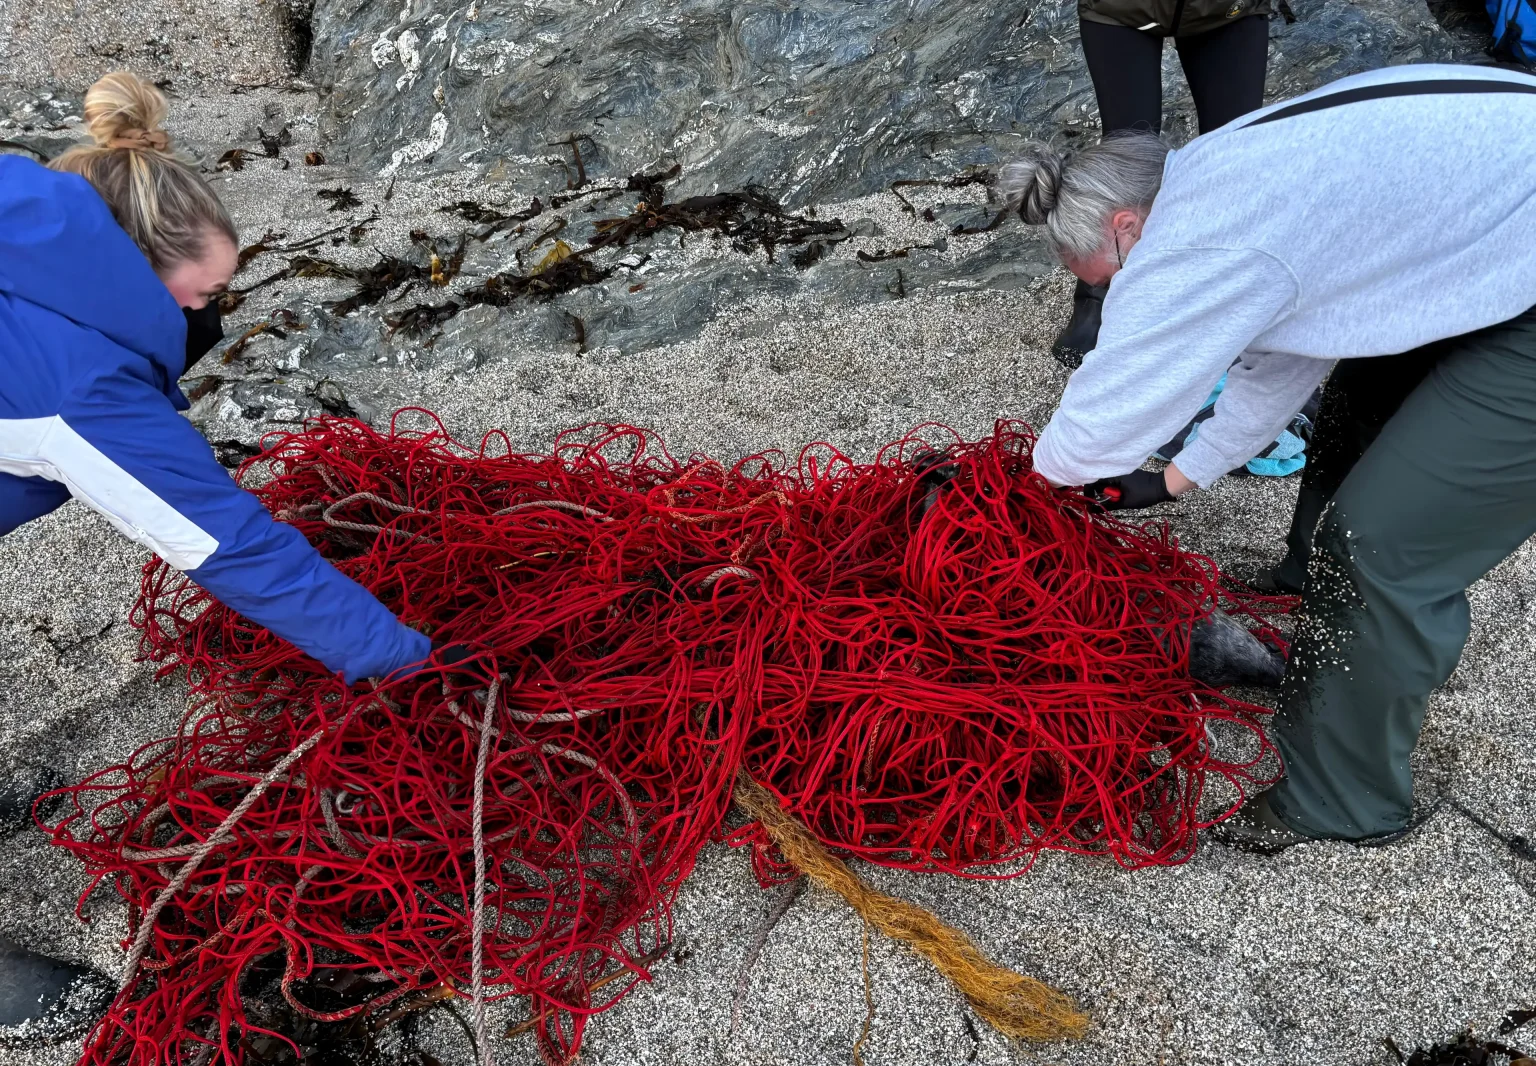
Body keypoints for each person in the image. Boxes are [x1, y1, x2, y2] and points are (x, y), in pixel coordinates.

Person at [1001, 63, 1536, 851]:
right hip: (1500, 228)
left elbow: (1112, 400)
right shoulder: (1214, 174)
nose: (1119, 300)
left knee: (1383, 544)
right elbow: (1292, 345)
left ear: (1126, 228)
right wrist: (1175, 478)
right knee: (1366, 390)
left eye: (1116, 284)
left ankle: (1339, 801)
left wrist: (1018, 493)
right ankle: (1305, 586)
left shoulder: (1197, 239)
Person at [0, 72, 431, 1042]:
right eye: (206, 296)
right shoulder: (85, 380)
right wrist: (396, 655)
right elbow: (231, 548)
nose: (213, 317)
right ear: (149, 278)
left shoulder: (24, 207)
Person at [1055, 0, 1273, 367]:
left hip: (1227, 9)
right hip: (1119, 9)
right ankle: (1101, 295)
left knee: (1232, 163)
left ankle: (1229, 308)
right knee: (1125, 154)